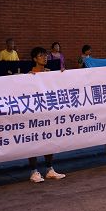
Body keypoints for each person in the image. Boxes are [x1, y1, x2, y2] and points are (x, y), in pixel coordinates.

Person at [28, 47, 66, 182]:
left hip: (48, 114)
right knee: (33, 142)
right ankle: (34, 171)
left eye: (45, 55)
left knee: (49, 141)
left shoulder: (51, 73)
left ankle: (49, 169)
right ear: (34, 59)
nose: (44, 58)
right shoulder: (29, 75)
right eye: (40, 56)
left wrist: (62, 76)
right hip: (34, 115)